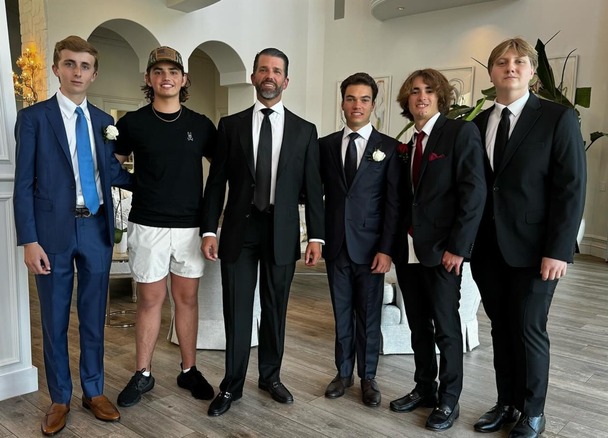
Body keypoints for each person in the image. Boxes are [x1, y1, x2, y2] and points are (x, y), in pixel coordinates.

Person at [12, 35, 132, 436]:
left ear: (94, 73)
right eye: (70, 64)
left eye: (84, 66)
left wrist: (160, 179)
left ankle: (93, 391)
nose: (77, 72)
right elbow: (23, 184)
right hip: (51, 234)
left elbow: (111, 174)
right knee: (55, 318)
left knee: (95, 317)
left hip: (95, 228)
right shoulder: (34, 119)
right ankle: (60, 397)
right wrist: (29, 240)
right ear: (56, 69)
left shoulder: (103, 122)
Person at [470, 37, 586, 438]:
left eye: (520, 61)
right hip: (487, 249)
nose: (511, 67)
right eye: (502, 62)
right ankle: (506, 403)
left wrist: (558, 250)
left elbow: (570, 189)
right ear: (492, 72)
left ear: (532, 72)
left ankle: (533, 411)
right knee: (500, 328)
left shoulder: (558, 118)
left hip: (537, 251)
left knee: (529, 329)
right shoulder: (477, 124)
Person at [200, 47, 325, 417]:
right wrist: (210, 229)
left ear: (286, 81)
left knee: (275, 309)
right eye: (263, 70)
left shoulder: (305, 131)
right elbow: (216, 181)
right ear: (253, 77)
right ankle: (231, 385)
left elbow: (313, 187)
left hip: (283, 231)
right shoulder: (231, 125)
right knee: (237, 310)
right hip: (240, 229)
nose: (269, 76)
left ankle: (270, 377)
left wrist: (315, 236)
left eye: (276, 71)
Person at [113, 46, 216, 408]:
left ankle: (189, 369)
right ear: (148, 79)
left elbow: (220, 174)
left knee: (186, 300)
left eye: (173, 71)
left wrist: (212, 222)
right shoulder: (132, 123)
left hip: (190, 227)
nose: (166, 77)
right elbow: (112, 166)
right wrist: (137, 183)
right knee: (150, 301)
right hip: (148, 224)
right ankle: (143, 373)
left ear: (184, 79)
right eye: (158, 71)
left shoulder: (201, 125)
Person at [388, 69, 486, 431]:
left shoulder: (460, 133)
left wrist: (458, 248)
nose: (421, 96)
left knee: (446, 327)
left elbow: (473, 194)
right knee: (418, 326)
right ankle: (424, 387)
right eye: (414, 91)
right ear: (407, 100)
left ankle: (449, 399)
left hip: (444, 252)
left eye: (429, 90)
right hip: (409, 250)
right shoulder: (408, 144)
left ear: (440, 97)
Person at [318, 72, 400, 407]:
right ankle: (342, 373)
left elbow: (394, 204)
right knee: (341, 314)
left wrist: (386, 249)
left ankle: (368, 378)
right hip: (336, 246)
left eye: (364, 99)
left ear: (373, 104)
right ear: (342, 103)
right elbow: (315, 194)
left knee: (369, 316)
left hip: (371, 250)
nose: (357, 105)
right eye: (351, 98)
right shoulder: (324, 146)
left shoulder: (389, 148)